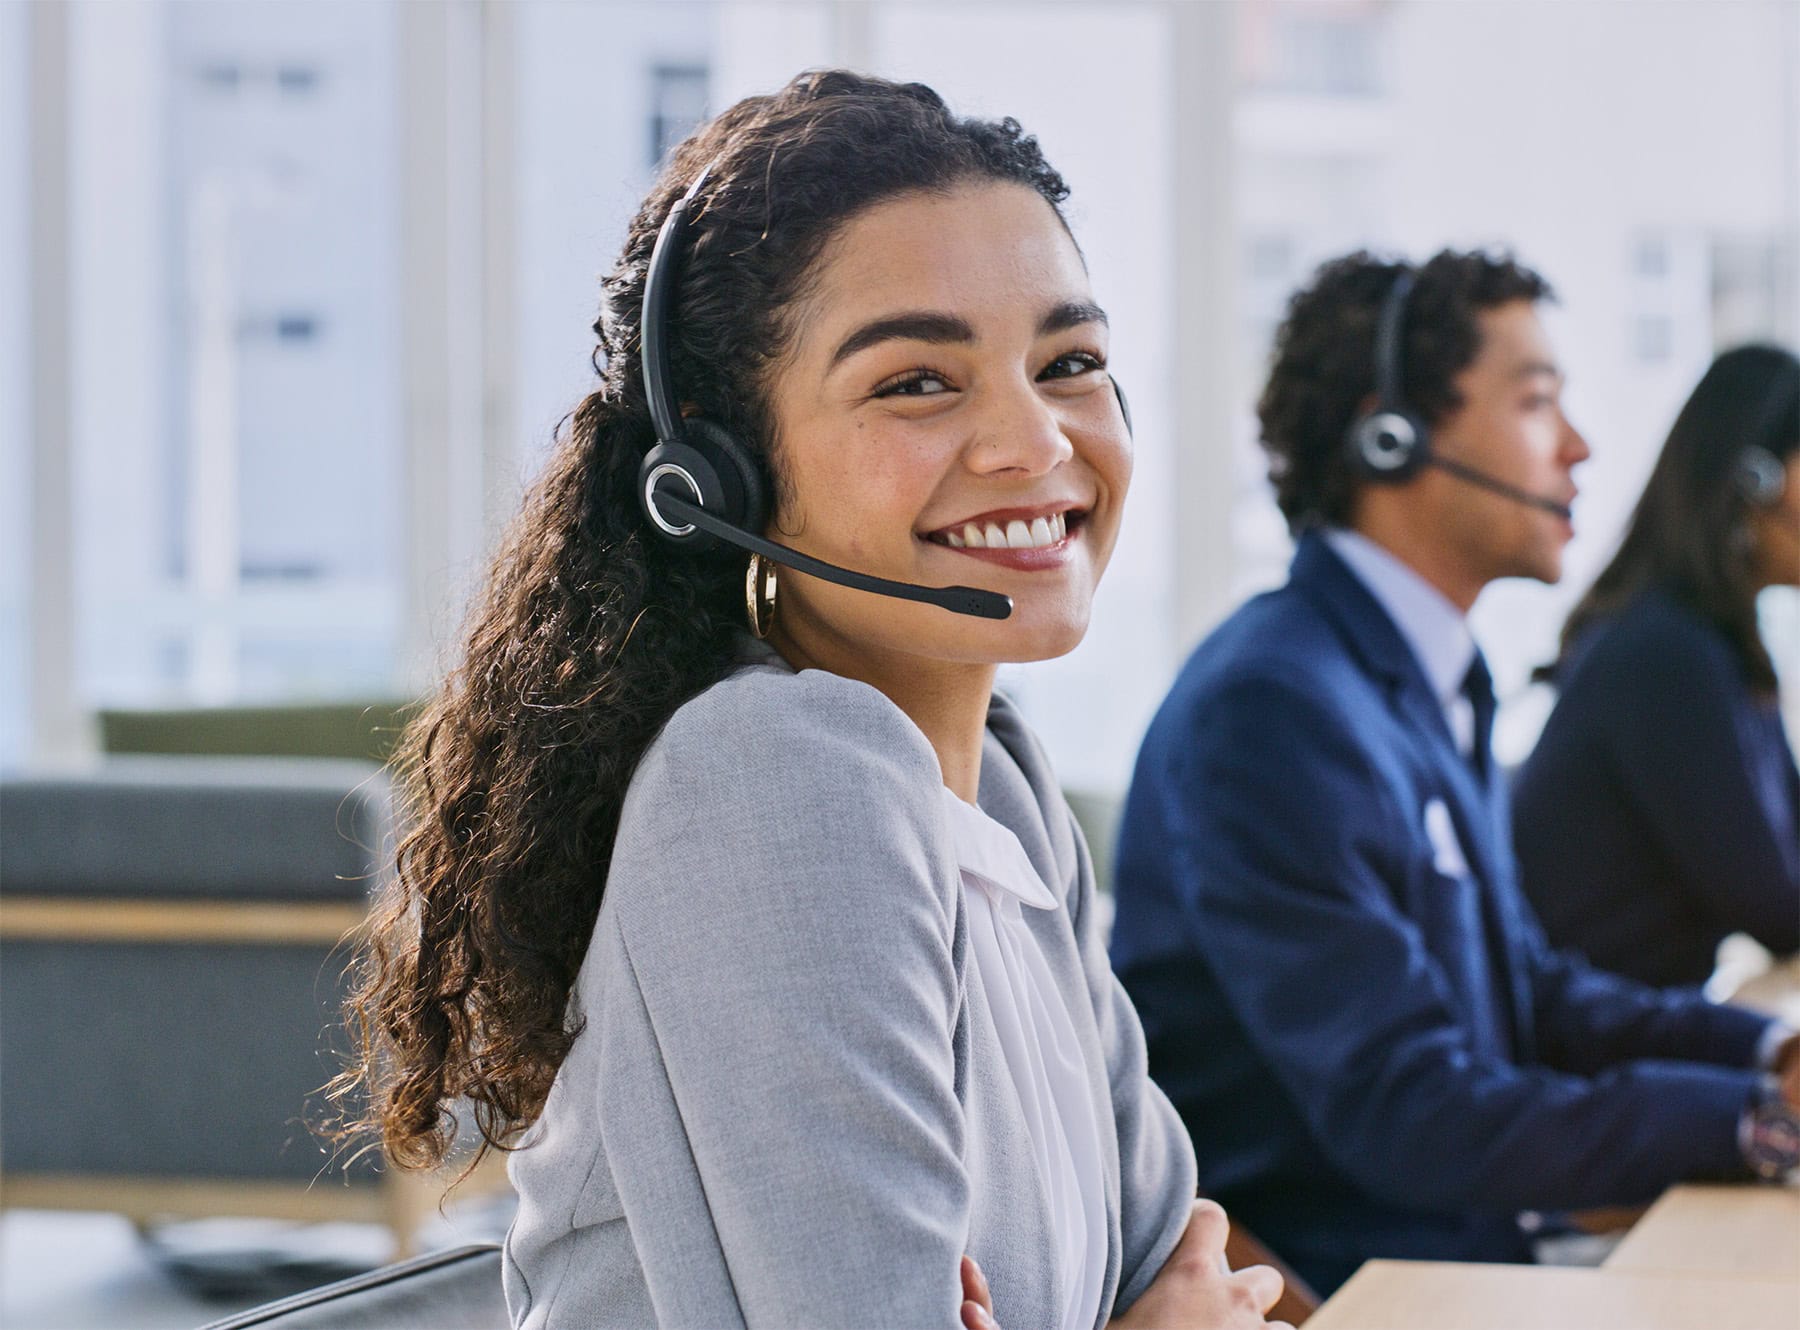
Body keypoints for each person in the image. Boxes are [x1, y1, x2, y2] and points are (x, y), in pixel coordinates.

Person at [331, 72, 1290, 1330]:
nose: (1037, 440)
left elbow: (1180, 1247)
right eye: (917, 382)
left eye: (1070, 362)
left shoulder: (1000, 789)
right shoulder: (779, 775)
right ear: (721, 472)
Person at [1108, 249, 1800, 1297]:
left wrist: (1764, 1056)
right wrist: (1749, 1122)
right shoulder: (1274, 711)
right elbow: (1411, 1111)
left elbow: (1532, 989)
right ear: (1394, 436)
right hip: (1367, 1284)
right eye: (1535, 403)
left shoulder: (1430, 675)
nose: (1578, 447)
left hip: (1476, 1250)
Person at [1513, 344, 1800, 987]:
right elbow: (1777, 908)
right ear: (1755, 480)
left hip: (1644, 1038)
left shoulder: (1723, 647)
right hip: (1589, 1053)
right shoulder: (1666, 656)